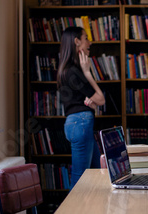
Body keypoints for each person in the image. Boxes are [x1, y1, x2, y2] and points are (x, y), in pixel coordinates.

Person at [57, 27, 105, 188]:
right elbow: (100, 99)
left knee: (98, 171)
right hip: (81, 123)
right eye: (86, 38)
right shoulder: (73, 72)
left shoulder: (66, 70)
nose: (89, 42)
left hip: (78, 123)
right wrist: (88, 73)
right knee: (80, 180)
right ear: (77, 42)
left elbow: (89, 99)